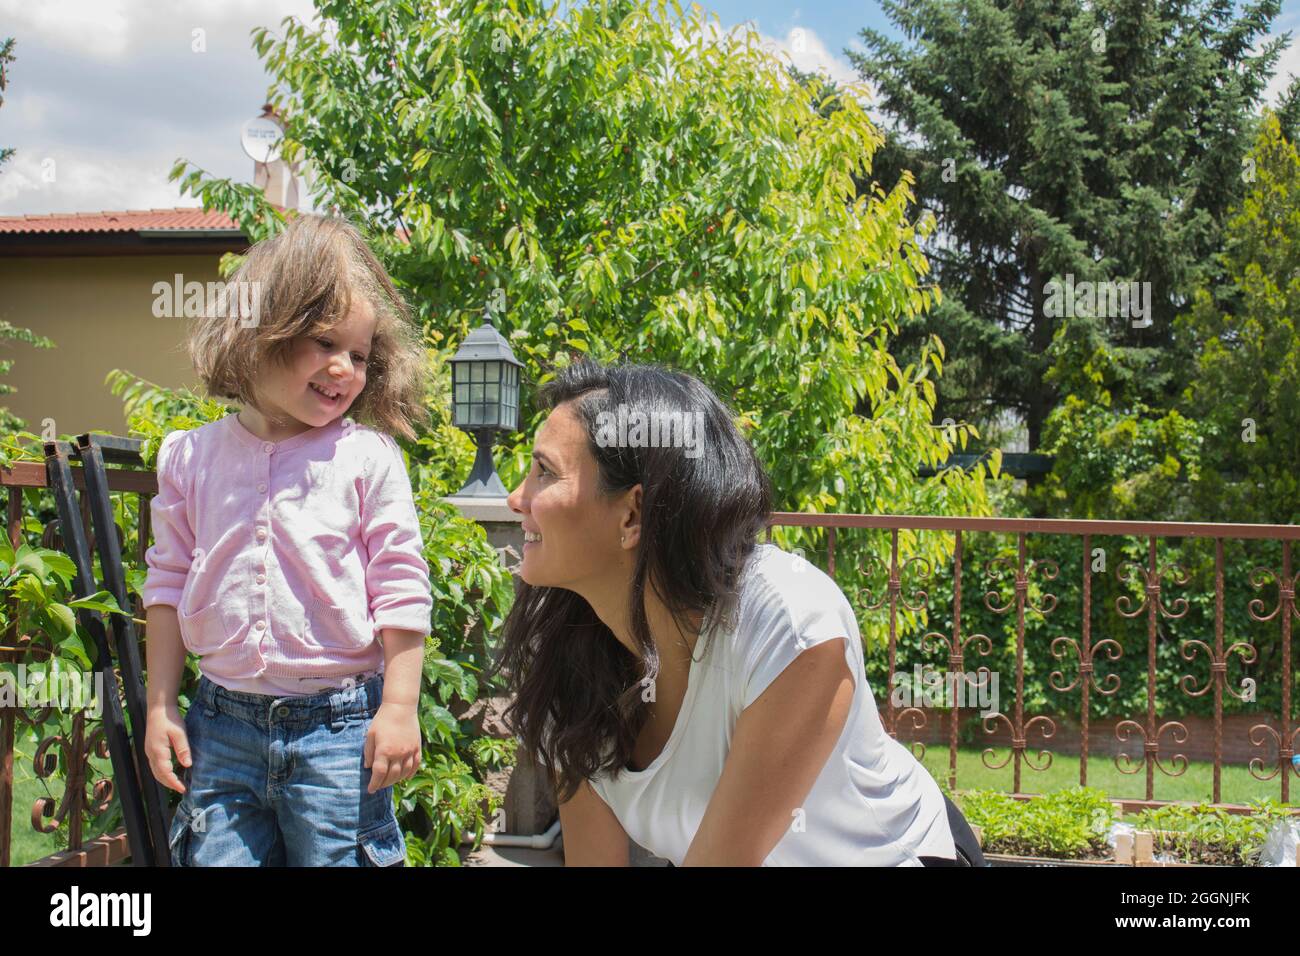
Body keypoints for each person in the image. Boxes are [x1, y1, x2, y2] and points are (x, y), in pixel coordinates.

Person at [495, 359, 985, 866]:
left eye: (545, 472)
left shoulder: (787, 621)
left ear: (632, 514)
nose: (516, 498)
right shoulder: (563, 651)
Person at [141, 213, 433, 866]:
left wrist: (400, 706)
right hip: (220, 730)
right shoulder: (191, 457)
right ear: (258, 334)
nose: (344, 369)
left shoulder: (367, 459)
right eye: (325, 343)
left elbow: (401, 587)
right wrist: (161, 705)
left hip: (338, 736)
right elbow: (165, 583)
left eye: (359, 355)